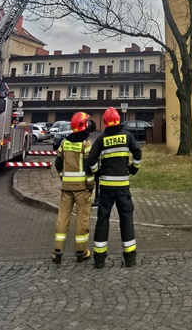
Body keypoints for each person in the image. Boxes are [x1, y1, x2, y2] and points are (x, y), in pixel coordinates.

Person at [88, 107, 142, 269]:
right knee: (126, 219)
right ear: (119, 120)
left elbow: (91, 159)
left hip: (106, 188)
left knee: (102, 220)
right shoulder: (127, 136)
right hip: (123, 187)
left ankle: (99, 259)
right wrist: (134, 168)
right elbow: (138, 152)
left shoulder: (101, 139)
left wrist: (97, 172)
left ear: (105, 122)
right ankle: (130, 258)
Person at [53, 111, 94, 265]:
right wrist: (90, 184)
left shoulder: (64, 143)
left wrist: (63, 177)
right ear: (83, 126)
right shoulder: (86, 144)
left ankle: (57, 250)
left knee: (62, 218)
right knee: (81, 219)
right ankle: (81, 251)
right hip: (82, 189)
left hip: (66, 188)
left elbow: (58, 163)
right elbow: (89, 166)